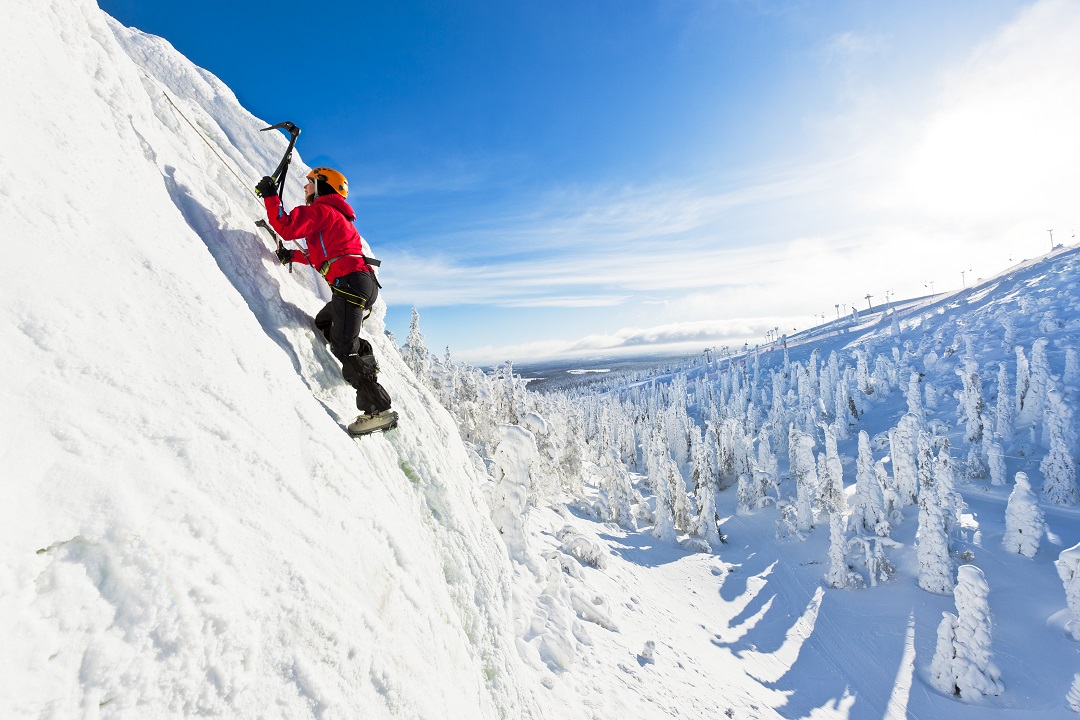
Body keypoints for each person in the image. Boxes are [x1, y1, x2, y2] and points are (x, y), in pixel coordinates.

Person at [256, 167, 396, 435]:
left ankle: (378, 410)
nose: (305, 186)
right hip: (358, 282)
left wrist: (271, 196)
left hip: (349, 283)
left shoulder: (322, 210)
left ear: (323, 185)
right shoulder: (334, 215)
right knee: (325, 322)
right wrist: (292, 257)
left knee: (344, 345)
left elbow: (287, 227)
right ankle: (364, 365)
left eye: (310, 182)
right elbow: (322, 254)